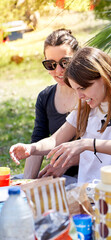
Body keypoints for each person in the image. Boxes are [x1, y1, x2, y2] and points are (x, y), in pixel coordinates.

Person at [10, 47, 111, 204]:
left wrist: (87, 144)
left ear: (103, 77)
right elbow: (55, 140)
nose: (80, 96)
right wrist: (32, 149)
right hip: (85, 197)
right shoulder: (86, 104)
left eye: (83, 88)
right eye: (76, 89)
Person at [23, 28, 80, 183]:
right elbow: (37, 143)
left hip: (90, 176)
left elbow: (100, 146)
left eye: (65, 62)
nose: (58, 71)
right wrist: (27, 183)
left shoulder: (89, 95)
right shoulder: (45, 97)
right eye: (51, 64)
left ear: (78, 58)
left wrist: (65, 163)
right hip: (58, 178)